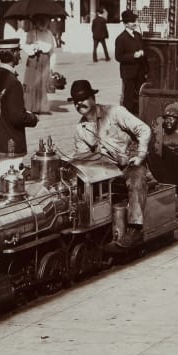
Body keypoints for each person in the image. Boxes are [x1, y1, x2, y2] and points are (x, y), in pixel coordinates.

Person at [68, 79, 152, 248]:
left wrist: (141, 155)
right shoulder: (80, 130)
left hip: (130, 163)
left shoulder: (115, 112)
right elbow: (84, 158)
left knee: (136, 177)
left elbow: (144, 129)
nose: (79, 103)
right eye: (76, 101)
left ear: (93, 98)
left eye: (83, 98)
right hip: (106, 171)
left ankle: (135, 229)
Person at [0, 38, 38, 188]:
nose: (20, 55)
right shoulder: (13, 82)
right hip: (8, 142)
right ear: (13, 54)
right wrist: (32, 118)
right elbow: (17, 117)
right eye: (18, 51)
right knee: (9, 183)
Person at [114, 10, 147, 115]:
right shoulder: (120, 38)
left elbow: (143, 49)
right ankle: (127, 116)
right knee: (128, 96)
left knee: (140, 94)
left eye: (135, 21)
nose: (135, 23)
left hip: (140, 71)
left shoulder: (138, 35)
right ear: (125, 24)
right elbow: (118, 56)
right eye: (132, 21)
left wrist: (143, 53)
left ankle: (139, 114)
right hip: (128, 73)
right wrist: (133, 55)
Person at [23, 14, 55, 114]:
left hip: (45, 59)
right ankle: (30, 106)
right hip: (34, 58)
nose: (43, 24)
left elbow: (52, 49)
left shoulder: (49, 33)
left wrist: (52, 65)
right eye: (40, 22)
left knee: (43, 83)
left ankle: (42, 107)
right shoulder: (31, 33)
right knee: (31, 82)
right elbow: (25, 45)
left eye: (44, 22)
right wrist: (33, 47)